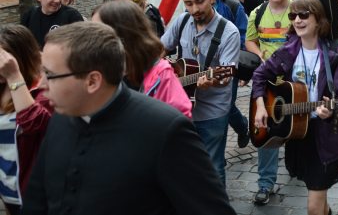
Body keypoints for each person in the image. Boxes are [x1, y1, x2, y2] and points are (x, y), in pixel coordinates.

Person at [22, 22, 235, 215]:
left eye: (50, 75)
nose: (41, 84)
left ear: (92, 81)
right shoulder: (60, 117)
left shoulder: (165, 129)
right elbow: (36, 199)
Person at [252, 0, 338, 215]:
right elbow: (260, 75)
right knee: (318, 194)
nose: (297, 20)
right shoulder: (288, 51)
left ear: (318, 20)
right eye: (293, 16)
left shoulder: (336, 54)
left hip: (325, 136)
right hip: (298, 135)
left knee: (313, 205)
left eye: (304, 15)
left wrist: (331, 110)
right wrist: (261, 105)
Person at [161, 0, 240, 184]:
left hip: (212, 109)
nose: (194, 9)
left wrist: (212, 81)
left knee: (213, 165)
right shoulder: (183, 21)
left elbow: (226, 76)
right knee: (183, 163)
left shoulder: (228, 32)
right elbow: (161, 47)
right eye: (189, 4)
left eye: (200, 1)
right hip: (181, 107)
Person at [92, 0, 192, 118]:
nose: (93, 36)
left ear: (124, 33)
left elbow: (179, 122)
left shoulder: (160, 73)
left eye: (99, 31)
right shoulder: (97, 70)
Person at [245, 0, 292, 205]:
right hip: (265, 80)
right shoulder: (258, 12)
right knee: (264, 129)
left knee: (298, 125)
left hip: (295, 83)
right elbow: (250, 41)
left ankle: (299, 166)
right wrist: (261, 56)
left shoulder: (298, 11)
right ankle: (266, 183)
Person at [192, 0, 249, 148]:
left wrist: (228, 48)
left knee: (224, 106)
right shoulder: (193, 9)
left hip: (226, 65)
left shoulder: (231, 5)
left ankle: (223, 145)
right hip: (200, 67)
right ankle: (241, 127)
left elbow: (242, 34)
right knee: (209, 106)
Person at [0, 26, 52, 215]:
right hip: (8, 191)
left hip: (32, 195)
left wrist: (13, 76)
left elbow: (34, 124)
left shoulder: (41, 92)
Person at [20, 0, 84, 49]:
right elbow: (22, 44)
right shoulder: (29, 15)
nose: (57, 0)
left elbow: (81, 46)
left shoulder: (72, 16)